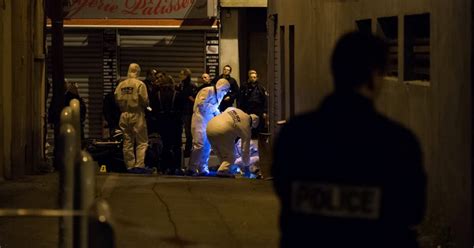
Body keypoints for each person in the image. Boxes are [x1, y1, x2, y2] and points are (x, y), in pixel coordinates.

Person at [272, 31, 427, 248]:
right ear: (374, 75)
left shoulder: (296, 135)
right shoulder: (397, 143)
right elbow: (412, 210)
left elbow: (284, 188)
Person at [187, 78, 230, 176]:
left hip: (208, 121)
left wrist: (219, 115)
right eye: (225, 90)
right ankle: (192, 168)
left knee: (207, 145)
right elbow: (201, 104)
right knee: (199, 144)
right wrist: (215, 109)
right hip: (199, 119)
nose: (225, 93)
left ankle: (203, 168)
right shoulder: (207, 91)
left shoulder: (218, 95)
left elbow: (214, 109)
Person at [115, 63, 151, 174]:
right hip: (137, 114)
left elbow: (116, 98)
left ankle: (129, 166)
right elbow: (145, 100)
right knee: (142, 141)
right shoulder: (140, 84)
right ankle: (139, 165)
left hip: (124, 114)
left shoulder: (121, 85)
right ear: (138, 72)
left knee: (127, 141)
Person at [206, 107, 259, 178]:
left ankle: (224, 169)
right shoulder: (246, 127)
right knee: (231, 156)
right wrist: (246, 164)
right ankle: (223, 171)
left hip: (210, 126)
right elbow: (245, 150)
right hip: (222, 130)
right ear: (252, 125)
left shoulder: (236, 110)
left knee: (221, 153)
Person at [151, 74, 184, 174]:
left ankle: (165, 167)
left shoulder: (157, 95)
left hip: (162, 122)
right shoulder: (177, 94)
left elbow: (154, 110)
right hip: (175, 123)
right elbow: (182, 109)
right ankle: (176, 167)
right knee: (177, 145)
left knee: (165, 145)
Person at [238, 69, 268, 138]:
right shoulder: (245, 87)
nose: (253, 79)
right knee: (248, 124)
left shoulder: (261, 87)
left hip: (258, 109)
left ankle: (258, 138)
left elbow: (265, 100)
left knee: (259, 125)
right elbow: (240, 99)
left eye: (254, 77)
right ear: (249, 78)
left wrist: (265, 111)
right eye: (251, 77)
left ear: (257, 78)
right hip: (248, 109)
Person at [179, 68, 197, 158]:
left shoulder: (190, 86)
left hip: (188, 112)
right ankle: (184, 150)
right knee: (184, 131)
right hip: (182, 111)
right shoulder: (182, 85)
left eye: (182, 74)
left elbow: (193, 98)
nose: (180, 76)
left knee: (188, 133)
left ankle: (187, 151)